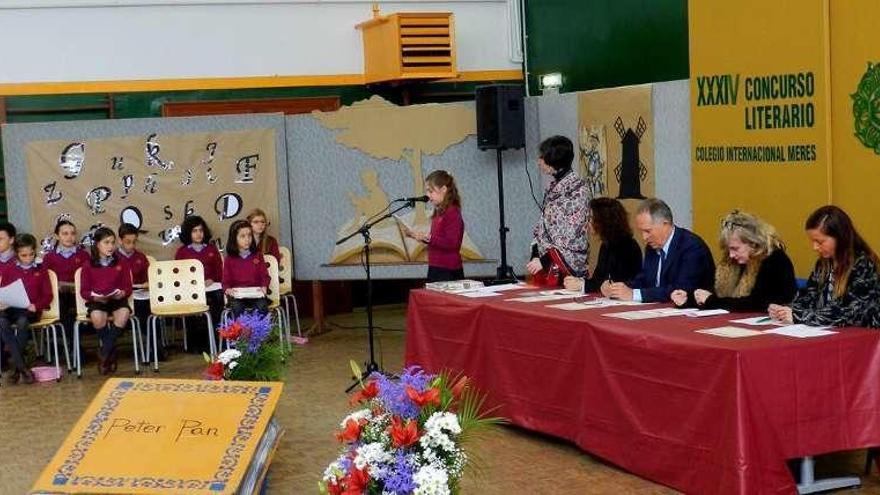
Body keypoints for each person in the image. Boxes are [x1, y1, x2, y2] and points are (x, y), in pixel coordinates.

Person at [769, 205, 880, 327]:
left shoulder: (864, 264)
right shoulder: (823, 264)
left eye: (820, 242)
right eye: (812, 241)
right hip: (827, 331)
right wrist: (785, 310)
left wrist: (798, 315)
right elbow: (809, 297)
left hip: (861, 334)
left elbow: (850, 313)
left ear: (840, 237)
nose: (815, 247)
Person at [671, 210, 797, 311]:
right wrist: (689, 299)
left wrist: (711, 301)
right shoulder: (732, 262)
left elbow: (758, 303)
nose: (731, 255)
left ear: (752, 242)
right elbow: (718, 296)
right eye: (729, 249)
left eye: (735, 249)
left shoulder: (775, 260)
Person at [606, 198, 715, 303]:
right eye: (642, 232)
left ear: (665, 224)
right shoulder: (652, 247)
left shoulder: (691, 247)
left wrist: (634, 294)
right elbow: (644, 280)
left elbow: (681, 290)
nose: (644, 237)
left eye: (648, 231)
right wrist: (617, 288)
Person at [526, 135, 590, 279]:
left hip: (567, 265)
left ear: (554, 161)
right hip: (546, 262)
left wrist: (544, 260)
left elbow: (571, 235)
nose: (539, 162)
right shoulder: (553, 187)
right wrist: (536, 252)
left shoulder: (578, 190)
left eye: (542, 157)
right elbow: (543, 223)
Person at [0, 234, 52, 384]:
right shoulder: (9, 268)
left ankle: (17, 368)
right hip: (12, 308)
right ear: (16, 254)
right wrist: (4, 302)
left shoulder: (41, 269)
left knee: (23, 321)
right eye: (23, 255)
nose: (28, 258)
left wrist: (36, 305)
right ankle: (22, 367)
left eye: (31, 254)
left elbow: (48, 295)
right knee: (2, 321)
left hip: (30, 310)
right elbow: (4, 291)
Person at [80, 227, 132, 375]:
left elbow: (128, 287)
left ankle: (104, 352)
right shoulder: (88, 265)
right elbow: (84, 291)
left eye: (112, 242)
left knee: (123, 313)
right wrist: (95, 297)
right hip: (98, 299)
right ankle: (110, 351)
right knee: (97, 316)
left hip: (116, 299)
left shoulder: (121, 262)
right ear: (97, 244)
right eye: (106, 242)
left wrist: (122, 293)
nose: (110, 246)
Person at [563, 197, 641, 294]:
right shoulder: (606, 245)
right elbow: (598, 279)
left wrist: (582, 285)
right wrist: (579, 281)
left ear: (603, 220)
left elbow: (614, 284)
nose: (588, 223)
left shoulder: (627, 247)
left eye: (591, 218)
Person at [404, 170, 465, 282]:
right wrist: (416, 236)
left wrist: (429, 238)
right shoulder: (439, 211)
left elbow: (452, 243)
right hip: (436, 266)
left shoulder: (452, 212)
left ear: (443, 190)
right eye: (427, 191)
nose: (428, 195)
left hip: (448, 270)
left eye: (431, 191)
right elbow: (438, 240)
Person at [175, 216, 224, 352]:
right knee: (190, 305)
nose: (198, 234)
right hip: (190, 289)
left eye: (201, 230)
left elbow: (220, 271)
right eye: (194, 231)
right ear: (188, 233)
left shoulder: (212, 250)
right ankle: (194, 344)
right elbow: (178, 274)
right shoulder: (182, 252)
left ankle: (216, 339)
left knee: (218, 297)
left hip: (210, 286)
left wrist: (212, 279)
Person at [41, 220, 90, 348]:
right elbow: (44, 280)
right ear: (57, 236)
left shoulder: (84, 255)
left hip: (78, 295)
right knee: (63, 307)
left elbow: (88, 278)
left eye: (72, 233)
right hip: (57, 297)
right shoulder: (49, 257)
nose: (69, 237)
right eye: (65, 233)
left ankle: (72, 347)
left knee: (73, 309)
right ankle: (70, 347)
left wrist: (76, 287)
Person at [223, 220, 270, 317]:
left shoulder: (258, 256)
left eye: (249, 235)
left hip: (255, 294)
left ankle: (259, 331)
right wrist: (228, 289)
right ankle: (241, 332)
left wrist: (264, 286)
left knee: (262, 306)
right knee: (237, 308)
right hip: (238, 296)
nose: (247, 239)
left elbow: (264, 276)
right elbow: (225, 280)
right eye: (242, 236)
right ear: (234, 239)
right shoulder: (229, 259)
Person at [117, 223, 150, 339]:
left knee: (148, 307)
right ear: (120, 241)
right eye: (128, 242)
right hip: (121, 296)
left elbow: (148, 276)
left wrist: (147, 283)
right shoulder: (112, 257)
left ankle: (153, 344)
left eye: (134, 242)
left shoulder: (141, 257)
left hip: (140, 293)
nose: (131, 245)